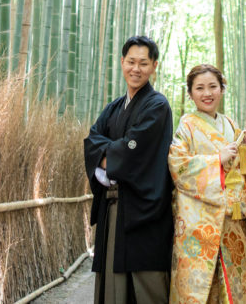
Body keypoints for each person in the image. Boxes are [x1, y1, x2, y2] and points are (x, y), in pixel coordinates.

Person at [84, 35, 174, 304]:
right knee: (112, 287)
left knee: (147, 286)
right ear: (122, 62)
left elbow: (129, 151)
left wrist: (108, 155)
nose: (136, 69)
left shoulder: (158, 106)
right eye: (131, 62)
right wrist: (110, 154)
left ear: (154, 66)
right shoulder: (113, 108)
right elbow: (91, 142)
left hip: (144, 213)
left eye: (143, 63)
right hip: (113, 211)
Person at [168, 64, 246, 304]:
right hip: (202, 223)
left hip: (235, 222)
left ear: (222, 89)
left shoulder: (231, 125)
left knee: (237, 286)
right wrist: (215, 161)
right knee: (204, 290)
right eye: (199, 88)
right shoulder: (186, 126)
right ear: (190, 94)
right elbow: (178, 166)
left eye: (213, 86)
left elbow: (243, 172)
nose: (207, 93)